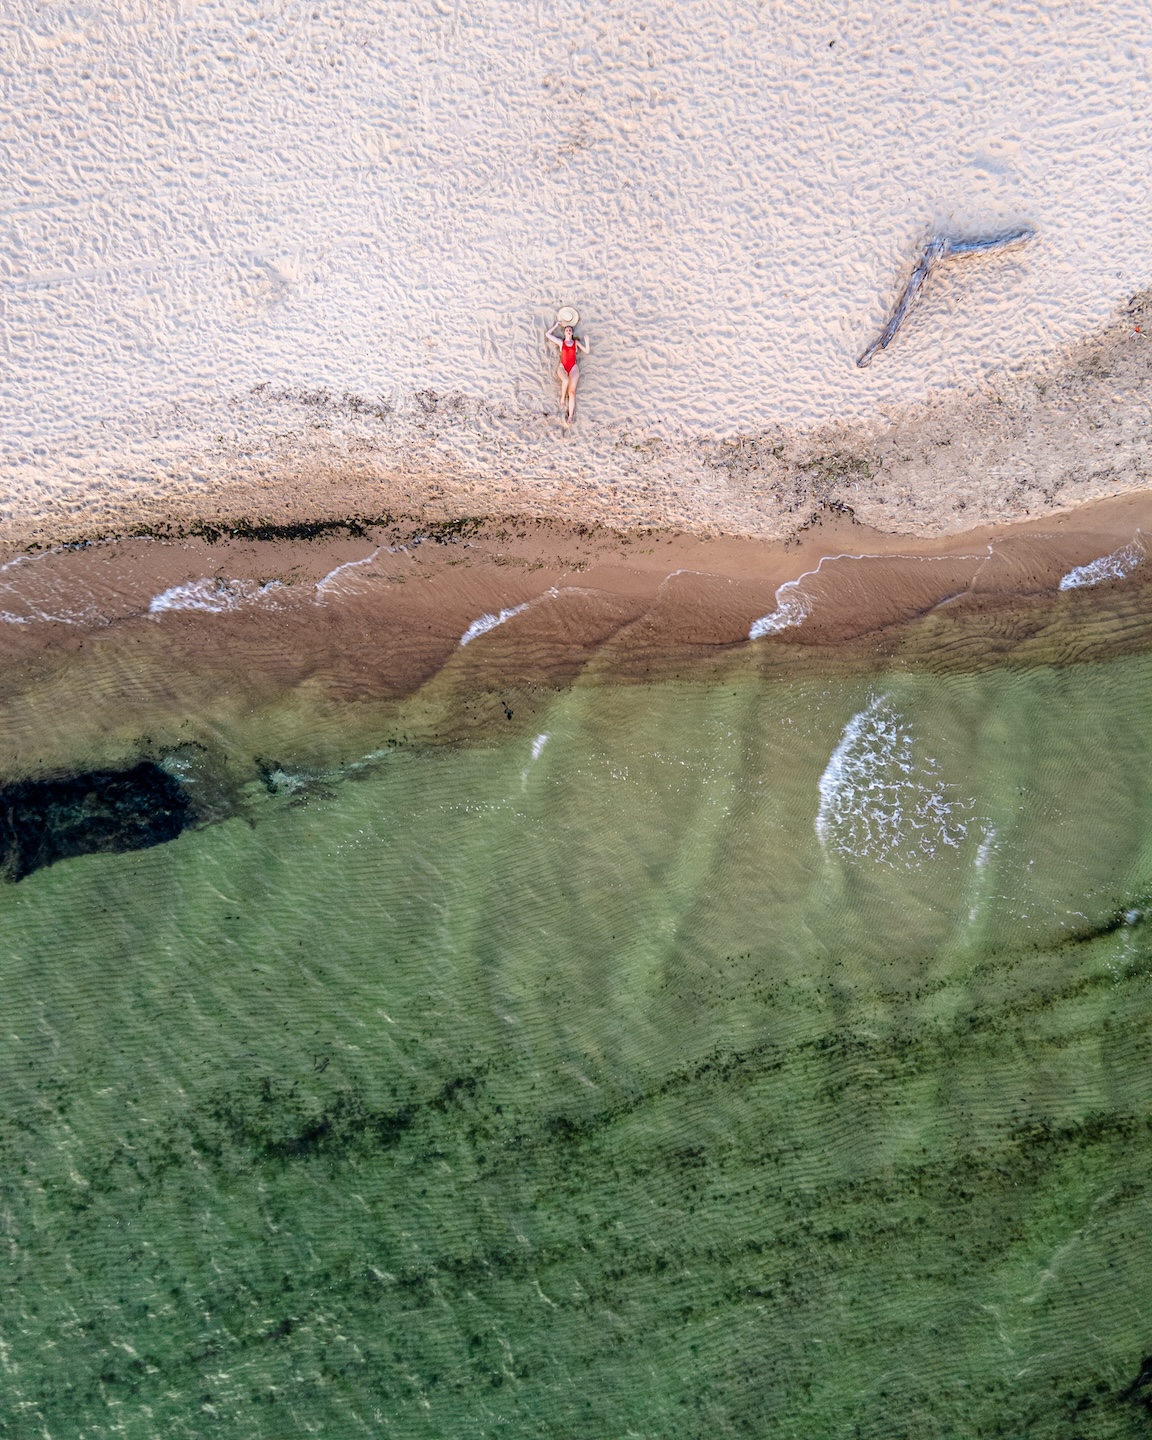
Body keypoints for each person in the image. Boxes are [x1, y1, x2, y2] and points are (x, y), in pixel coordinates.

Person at [545, 320, 589, 427]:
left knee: (572, 392)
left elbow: (586, 351)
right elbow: (547, 334)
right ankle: (562, 398)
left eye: (570, 330)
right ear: (565, 333)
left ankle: (570, 416)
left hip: (573, 367)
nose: (568, 331)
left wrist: (587, 341)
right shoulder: (561, 343)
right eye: (567, 330)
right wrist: (556, 325)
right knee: (565, 380)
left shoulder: (575, 343)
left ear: (572, 333)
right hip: (562, 367)